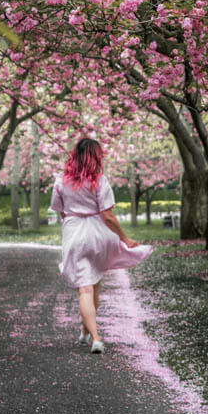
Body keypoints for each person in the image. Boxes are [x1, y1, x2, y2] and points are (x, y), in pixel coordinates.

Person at [50, 137, 154, 354]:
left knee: (84, 288)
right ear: (95, 157)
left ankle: (95, 338)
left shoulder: (60, 181)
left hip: (74, 231)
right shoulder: (99, 180)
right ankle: (87, 330)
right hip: (99, 234)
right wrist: (124, 238)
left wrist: (72, 220)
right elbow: (107, 215)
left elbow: (60, 210)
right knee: (94, 281)